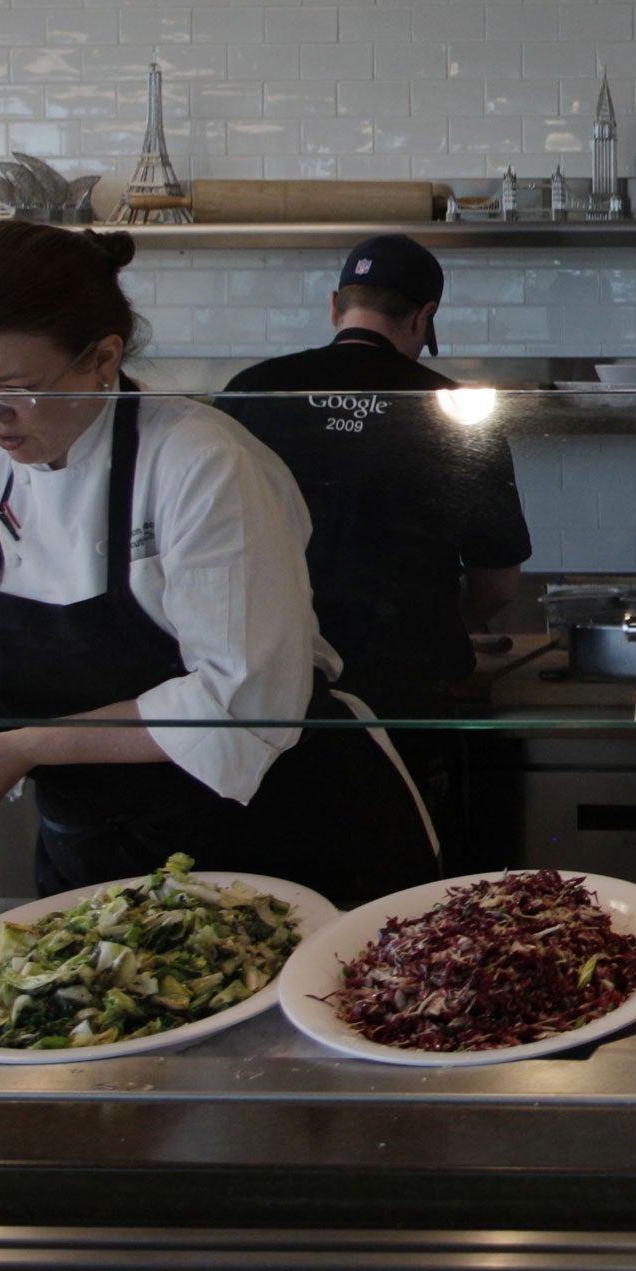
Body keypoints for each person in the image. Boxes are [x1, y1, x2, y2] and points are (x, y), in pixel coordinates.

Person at [0, 221, 441, 905]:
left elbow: (241, 700)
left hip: (269, 850)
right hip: (89, 865)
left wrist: (22, 748)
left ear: (103, 356)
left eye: (17, 387)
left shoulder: (204, 462)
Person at [215, 235, 531, 844]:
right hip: (407, 689)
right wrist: (446, 619)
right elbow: (499, 581)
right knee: (406, 872)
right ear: (424, 317)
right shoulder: (455, 410)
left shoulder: (251, 391)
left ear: (337, 306)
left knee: (282, 875)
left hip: (273, 685)